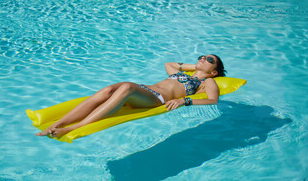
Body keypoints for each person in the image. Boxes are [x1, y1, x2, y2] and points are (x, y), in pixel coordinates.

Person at [36, 54, 226, 138]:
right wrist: (198, 67)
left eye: (209, 60)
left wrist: (184, 100)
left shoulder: (206, 82)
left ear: (214, 72)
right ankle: (56, 125)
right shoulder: (184, 74)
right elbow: (170, 64)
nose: (202, 59)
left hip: (156, 99)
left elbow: (213, 99)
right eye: (202, 56)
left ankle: (73, 128)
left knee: (126, 86)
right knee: (108, 90)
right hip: (144, 90)